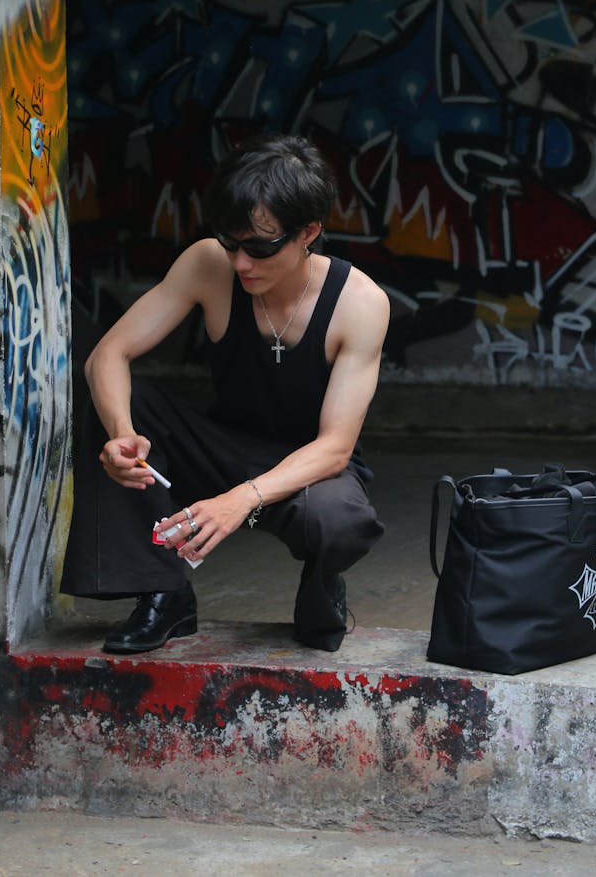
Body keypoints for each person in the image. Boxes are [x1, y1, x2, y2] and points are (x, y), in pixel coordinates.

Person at [61, 134, 391, 653]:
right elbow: (108, 355)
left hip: (308, 470)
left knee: (340, 519)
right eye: (232, 243)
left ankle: (321, 586)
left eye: (260, 248)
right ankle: (164, 594)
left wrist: (239, 501)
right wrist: (124, 437)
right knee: (128, 406)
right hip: (221, 450)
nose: (241, 263)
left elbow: (335, 448)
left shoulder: (360, 303)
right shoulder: (209, 265)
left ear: (309, 232)